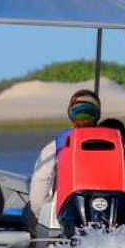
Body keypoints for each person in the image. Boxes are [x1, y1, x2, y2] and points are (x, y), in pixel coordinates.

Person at [26, 89, 101, 235]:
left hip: (66, 219)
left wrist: (43, 214)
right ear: (97, 114)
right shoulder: (121, 144)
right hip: (112, 214)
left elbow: (39, 191)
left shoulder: (54, 147)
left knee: (27, 211)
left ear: (70, 114)